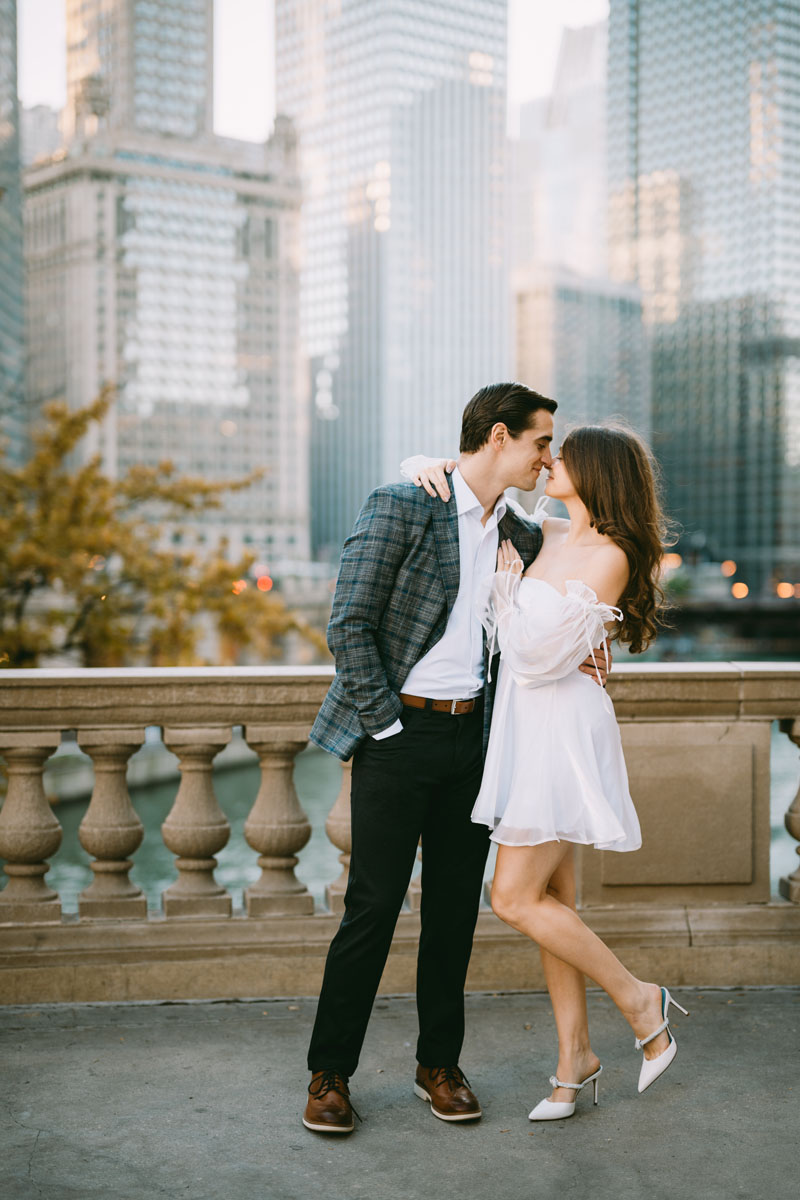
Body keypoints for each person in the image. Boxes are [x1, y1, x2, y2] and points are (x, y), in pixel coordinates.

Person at [302, 382, 611, 1135]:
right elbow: (348, 624)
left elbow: (559, 612)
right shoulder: (405, 503)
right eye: (542, 441)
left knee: (452, 915)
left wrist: (596, 654)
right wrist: (383, 729)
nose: (549, 457)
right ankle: (328, 1074)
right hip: (396, 737)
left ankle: (438, 1065)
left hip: (476, 745)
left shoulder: (527, 534)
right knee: (371, 909)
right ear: (500, 436)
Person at [406, 422, 688, 1122]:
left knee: (513, 898)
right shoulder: (553, 531)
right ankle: (575, 1062)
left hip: (561, 730)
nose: (549, 460)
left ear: (598, 472)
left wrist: (505, 594)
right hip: (525, 729)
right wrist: (423, 462)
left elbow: (536, 659)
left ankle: (639, 1000)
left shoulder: (613, 553)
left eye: (564, 455)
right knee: (552, 903)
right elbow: (478, 491)